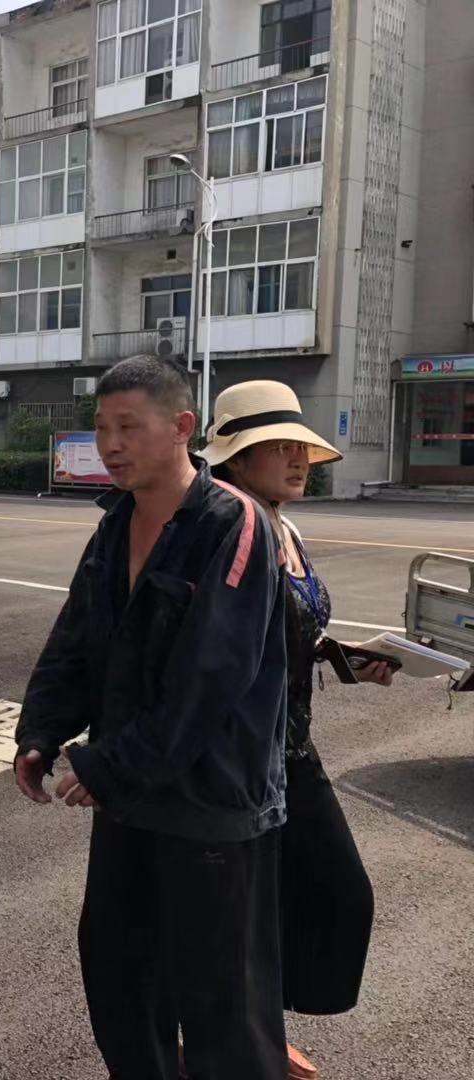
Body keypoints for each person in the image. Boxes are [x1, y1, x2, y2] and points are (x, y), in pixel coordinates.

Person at [13, 356, 290, 1080]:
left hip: (210, 807)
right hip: (131, 804)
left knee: (222, 1005)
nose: (110, 444)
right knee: (119, 976)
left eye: (129, 427)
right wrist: (39, 732)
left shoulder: (233, 524)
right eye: (102, 428)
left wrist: (108, 766)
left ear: (182, 427)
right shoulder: (115, 526)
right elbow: (76, 639)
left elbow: (210, 679)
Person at [203, 381, 388, 1080]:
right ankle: (229, 1042)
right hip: (241, 756)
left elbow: (289, 634)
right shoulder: (226, 531)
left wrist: (347, 660)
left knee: (320, 897)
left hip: (290, 748)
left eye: (301, 446)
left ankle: (257, 1030)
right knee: (247, 910)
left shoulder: (285, 528)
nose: (298, 459)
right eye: (277, 447)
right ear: (236, 459)